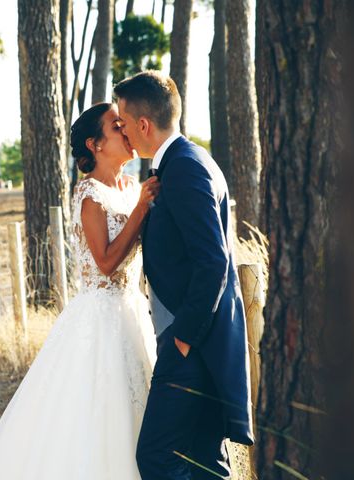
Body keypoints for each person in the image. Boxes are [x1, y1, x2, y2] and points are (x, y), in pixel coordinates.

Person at [0, 103, 159, 479]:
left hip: (132, 312)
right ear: (95, 144)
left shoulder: (126, 186)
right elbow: (105, 263)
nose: (126, 131)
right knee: (99, 415)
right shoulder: (90, 195)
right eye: (115, 126)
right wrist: (140, 210)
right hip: (100, 320)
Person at [114, 70, 254, 480]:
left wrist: (182, 340)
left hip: (193, 343)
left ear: (143, 125)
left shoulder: (185, 169)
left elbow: (213, 262)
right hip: (205, 341)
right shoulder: (186, 161)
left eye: (123, 123)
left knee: (156, 457)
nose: (122, 132)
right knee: (205, 461)